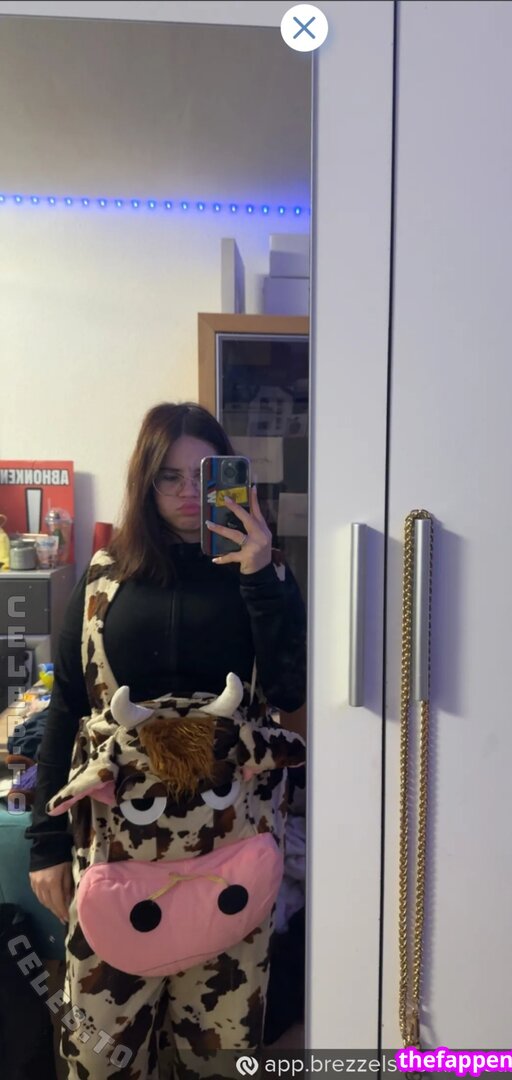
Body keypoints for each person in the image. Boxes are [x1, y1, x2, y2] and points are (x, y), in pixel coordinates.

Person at [26, 401, 307, 1077]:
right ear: (144, 482)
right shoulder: (104, 576)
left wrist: (259, 577)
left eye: (203, 475)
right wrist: (46, 842)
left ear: (230, 478)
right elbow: (68, 709)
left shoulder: (266, 574)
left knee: (220, 1055)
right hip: (116, 855)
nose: (186, 493)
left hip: (230, 853)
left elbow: (289, 692)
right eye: (169, 477)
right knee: (101, 1058)